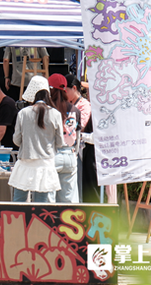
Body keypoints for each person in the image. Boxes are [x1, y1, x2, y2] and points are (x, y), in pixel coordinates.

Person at [8, 76, 63, 203]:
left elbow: (16, 140)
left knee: (19, 201)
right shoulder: (56, 114)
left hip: (25, 162)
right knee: (41, 204)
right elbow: (60, 142)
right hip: (45, 164)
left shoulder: (23, 113)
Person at [48, 73, 81, 203]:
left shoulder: (49, 110)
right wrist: (74, 153)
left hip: (53, 155)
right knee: (69, 201)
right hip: (70, 155)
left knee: (50, 200)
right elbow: (78, 135)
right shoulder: (75, 110)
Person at [65, 74, 98, 203]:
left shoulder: (84, 105)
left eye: (66, 90)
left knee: (84, 185)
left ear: (74, 88)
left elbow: (81, 127)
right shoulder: (67, 104)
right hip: (71, 148)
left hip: (84, 150)